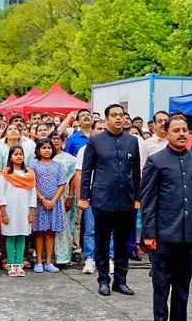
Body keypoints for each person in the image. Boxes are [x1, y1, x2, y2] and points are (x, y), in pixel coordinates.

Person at [140, 114, 192, 321]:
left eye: (184, 130)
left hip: (190, 235)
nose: (181, 134)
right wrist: (148, 232)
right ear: (166, 133)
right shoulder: (156, 161)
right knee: (162, 285)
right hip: (163, 235)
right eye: (176, 130)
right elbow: (148, 201)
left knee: (183, 286)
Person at [80, 104, 141, 297]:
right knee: (102, 242)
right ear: (106, 119)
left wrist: (138, 197)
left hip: (126, 200)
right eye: (113, 115)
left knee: (124, 244)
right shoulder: (95, 141)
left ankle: (120, 281)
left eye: (121, 115)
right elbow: (87, 170)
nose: (118, 118)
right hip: (102, 200)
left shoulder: (132, 141)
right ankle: (104, 280)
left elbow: (136, 172)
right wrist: (84, 197)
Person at [72, 119, 107, 274]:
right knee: (90, 229)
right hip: (92, 195)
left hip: (111, 196)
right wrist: (82, 197)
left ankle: (109, 259)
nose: (102, 131)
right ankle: (90, 258)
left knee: (109, 230)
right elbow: (79, 175)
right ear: (92, 131)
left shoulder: (116, 148)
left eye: (104, 129)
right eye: (99, 128)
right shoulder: (84, 150)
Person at [0, 145, 37, 277]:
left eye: (21, 154)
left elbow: (33, 194)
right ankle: (11, 265)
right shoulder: (6, 173)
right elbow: (1, 193)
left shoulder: (29, 174)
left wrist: (32, 210)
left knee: (21, 235)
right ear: (10, 157)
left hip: (24, 210)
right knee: (10, 235)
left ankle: (19, 264)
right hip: (9, 210)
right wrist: (3, 211)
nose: (19, 156)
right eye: (16, 154)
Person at [32, 139, 66, 273]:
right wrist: (42, 199)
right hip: (39, 204)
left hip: (54, 203)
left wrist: (53, 200)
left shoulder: (58, 166)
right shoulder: (33, 165)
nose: (47, 150)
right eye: (43, 148)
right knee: (40, 232)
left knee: (51, 232)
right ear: (38, 150)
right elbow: (32, 184)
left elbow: (62, 184)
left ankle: (49, 262)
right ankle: (39, 261)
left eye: (49, 148)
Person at [50, 131, 78, 265]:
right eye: (53, 139)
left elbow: (73, 179)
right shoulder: (41, 158)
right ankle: (48, 257)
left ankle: (63, 257)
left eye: (58, 139)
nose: (55, 141)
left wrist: (71, 197)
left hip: (64, 196)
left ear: (63, 141)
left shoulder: (70, 159)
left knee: (65, 226)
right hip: (46, 197)